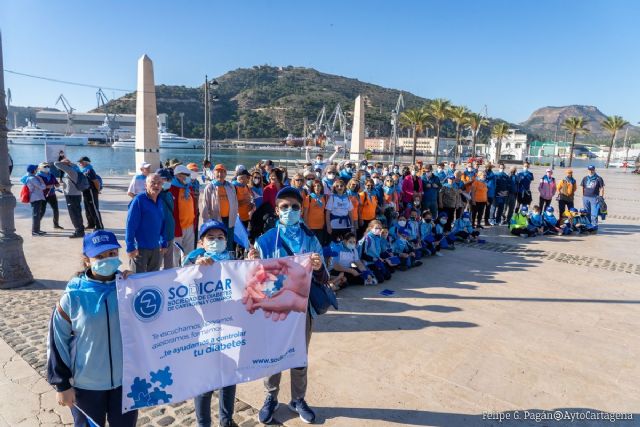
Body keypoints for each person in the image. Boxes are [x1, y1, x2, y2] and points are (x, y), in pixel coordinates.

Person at [47, 230, 138, 427]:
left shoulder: (129, 288)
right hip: (86, 386)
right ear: (87, 260)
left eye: (113, 254)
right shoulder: (72, 297)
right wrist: (62, 385)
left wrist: (199, 268)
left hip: (126, 383)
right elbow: (57, 341)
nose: (108, 259)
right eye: (100, 256)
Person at [253, 187, 325, 425]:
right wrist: (251, 262)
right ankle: (271, 397)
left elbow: (324, 278)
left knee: (299, 356)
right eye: (284, 207)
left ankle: (298, 399)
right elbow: (253, 279)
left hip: (303, 310)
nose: (290, 211)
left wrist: (318, 266)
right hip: (275, 309)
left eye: (294, 207)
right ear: (276, 210)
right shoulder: (264, 240)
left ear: (301, 210)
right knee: (274, 354)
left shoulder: (311, 239)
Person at [183, 220, 258, 427]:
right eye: (211, 237)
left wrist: (254, 264)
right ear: (201, 242)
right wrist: (195, 269)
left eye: (220, 237)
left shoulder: (233, 261)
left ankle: (226, 420)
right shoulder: (192, 260)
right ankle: (203, 423)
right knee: (205, 383)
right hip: (203, 331)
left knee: (229, 378)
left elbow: (252, 286)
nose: (216, 241)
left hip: (231, 328)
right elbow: (178, 286)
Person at [125, 173, 167, 273]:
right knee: (137, 280)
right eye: (153, 183)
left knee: (153, 279)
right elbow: (130, 225)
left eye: (159, 183)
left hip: (156, 248)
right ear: (146, 185)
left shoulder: (160, 200)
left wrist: (163, 242)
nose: (156, 186)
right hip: (140, 249)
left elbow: (162, 222)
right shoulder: (138, 200)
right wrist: (130, 247)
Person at [201, 164, 239, 252]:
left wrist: (235, 216)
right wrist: (206, 224)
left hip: (229, 220)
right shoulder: (210, 187)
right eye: (218, 172)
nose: (220, 174)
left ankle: (229, 259)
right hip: (216, 220)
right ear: (214, 173)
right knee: (217, 244)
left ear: (225, 174)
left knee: (229, 242)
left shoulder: (230, 186)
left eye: (222, 172)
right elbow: (205, 207)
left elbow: (235, 202)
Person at [168, 165, 197, 265]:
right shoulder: (171, 190)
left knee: (190, 254)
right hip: (177, 228)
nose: (189, 177)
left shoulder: (188, 188)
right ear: (179, 176)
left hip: (189, 226)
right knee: (175, 256)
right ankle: (174, 275)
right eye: (187, 175)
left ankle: (189, 273)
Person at [54, 157, 86, 238]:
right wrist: (69, 163)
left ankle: (78, 231)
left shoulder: (71, 171)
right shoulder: (76, 169)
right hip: (77, 194)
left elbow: (56, 164)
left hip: (71, 195)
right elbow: (73, 164)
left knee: (74, 214)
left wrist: (63, 162)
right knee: (77, 213)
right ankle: (80, 230)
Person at [156, 169, 176, 269]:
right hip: (158, 238)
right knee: (157, 265)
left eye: (168, 179)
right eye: (163, 179)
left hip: (170, 233)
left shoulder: (169, 194)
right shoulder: (153, 196)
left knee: (169, 265)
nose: (166, 181)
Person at [77, 156, 104, 230]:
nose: (80, 163)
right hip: (85, 191)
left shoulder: (90, 170)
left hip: (91, 191)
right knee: (88, 209)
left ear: (86, 162)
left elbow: (96, 181)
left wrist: (97, 190)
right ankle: (91, 224)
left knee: (94, 209)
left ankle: (99, 226)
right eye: (79, 162)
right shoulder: (83, 170)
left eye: (81, 162)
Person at [22, 164, 47, 236]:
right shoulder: (32, 178)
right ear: (33, 170)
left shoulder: (31, 177)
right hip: (36, 198)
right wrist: (41, 180)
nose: (37, 170)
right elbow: (43, 187)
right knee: (36, 215)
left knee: (37, 214)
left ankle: (37, 230)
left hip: (36, 197)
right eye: (36, 169)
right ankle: (35, 231)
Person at [37, 162, 63, 230]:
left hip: (52, 195)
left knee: (56, 210)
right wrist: (47, 186)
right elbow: (37, 186)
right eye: (45, 167)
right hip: (42, 195)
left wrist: (57, 185)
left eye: (48, 166)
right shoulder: (38, 176)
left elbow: (56, 184)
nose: (47, 168)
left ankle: (56, 224)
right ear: (40, 168)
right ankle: (36, 226)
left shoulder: (51, 175)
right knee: (42, 211)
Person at [303, 179, 328, 246]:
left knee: (319, 245)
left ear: (321, 187)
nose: (317, 187)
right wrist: (306, 225)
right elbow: (305, 213)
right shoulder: (309, 197)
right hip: (311, 226)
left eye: (319, 186)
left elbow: (325, 212)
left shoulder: (324, 198)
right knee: (311, 245)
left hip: (321, 226)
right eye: (315, 186)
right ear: (312, 188)